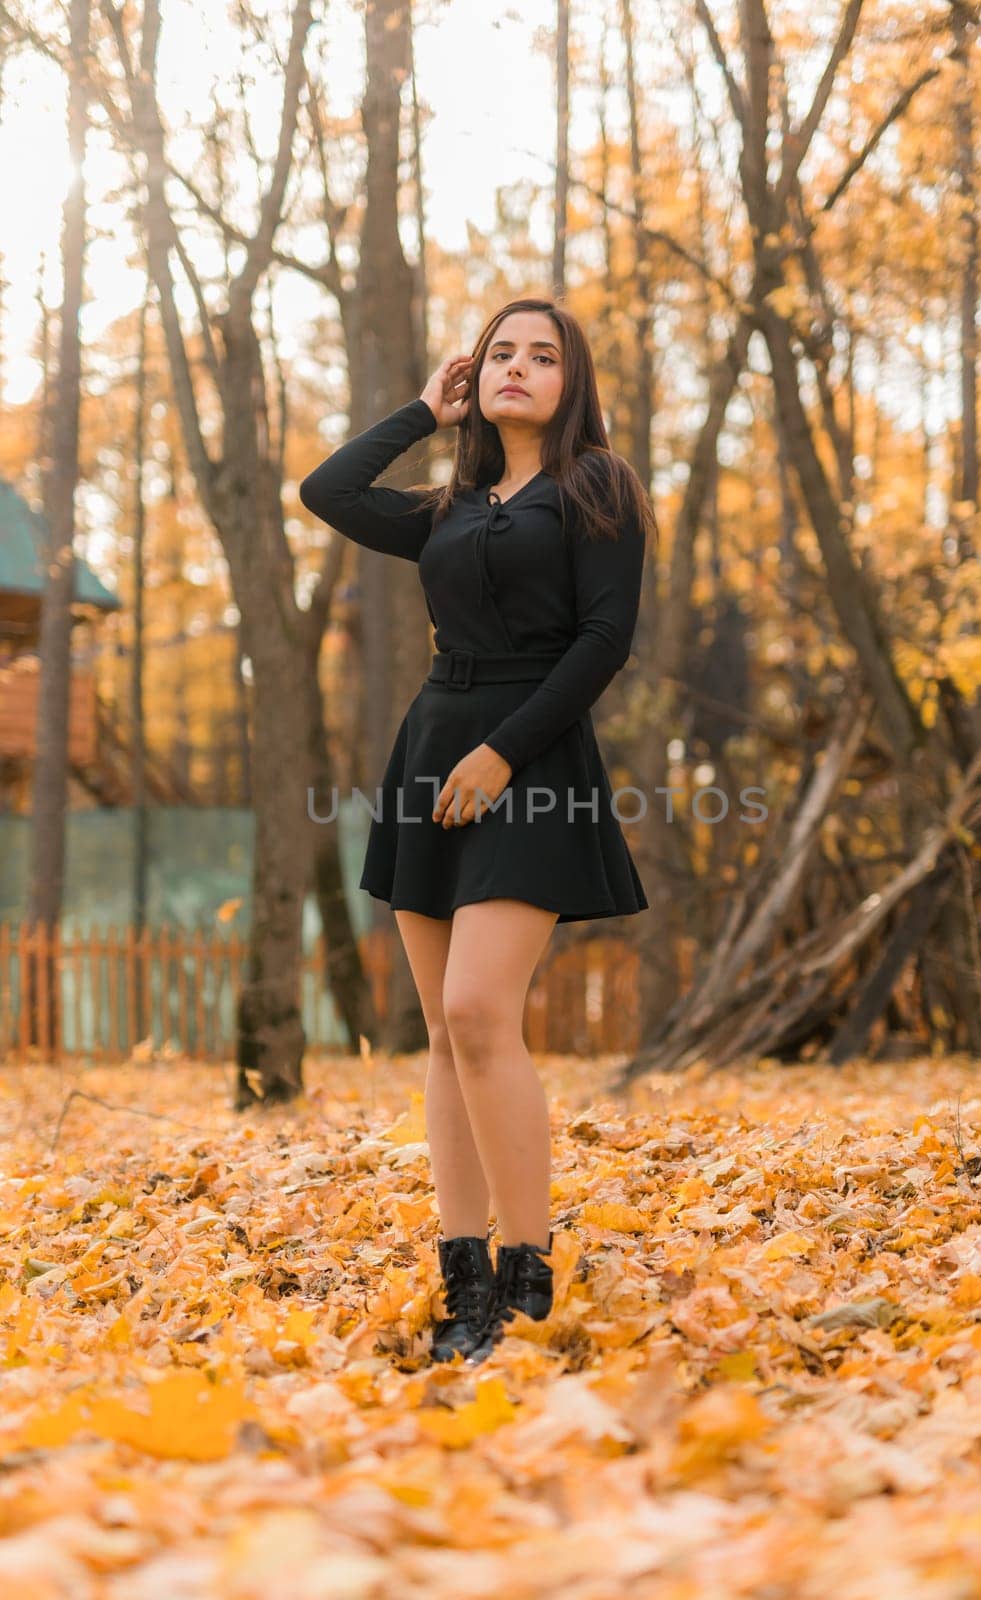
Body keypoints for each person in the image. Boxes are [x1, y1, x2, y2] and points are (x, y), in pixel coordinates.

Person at [299, 296, 658, 1365]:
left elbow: (603, 640)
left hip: (529, 755)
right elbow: (327, 491)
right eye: (500, 353)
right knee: (446, 1035)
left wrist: (503, 751)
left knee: (477, 1010)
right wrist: (421, 407)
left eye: (542, 356)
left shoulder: (598, 488)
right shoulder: (447, 503)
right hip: (427, 753)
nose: (517, 368)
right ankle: (462, 1285)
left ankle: (528, 1278)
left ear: (570, 381)